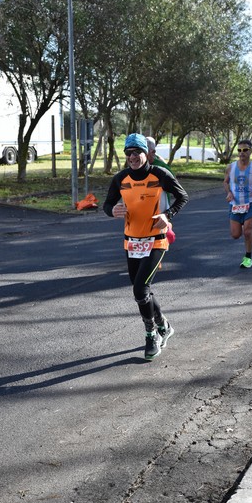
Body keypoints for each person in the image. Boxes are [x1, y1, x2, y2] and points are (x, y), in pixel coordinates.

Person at [103, 133, 189, 361]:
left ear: (145, 153)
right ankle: (164, 325)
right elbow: (108, 203)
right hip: (131, 241)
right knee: (143, 291)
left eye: (137, 152)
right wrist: (112, 211)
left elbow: (182, 196)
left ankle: (151, 334)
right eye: (128, 153)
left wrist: (167, 215)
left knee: (140, 289)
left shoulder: (159, 174)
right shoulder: (120, 179)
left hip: (157, 239)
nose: (132, 157)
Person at [224, 139, 252, 269]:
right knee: (236, 235)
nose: (241, 153)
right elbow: (225, 182)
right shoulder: (230, 167)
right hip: (235, 205)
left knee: (247, 232)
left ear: (251, 151)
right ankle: (244, 226)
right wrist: (229, 193)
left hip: (250, 204)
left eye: (245, 150)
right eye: (239, 150)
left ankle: (248, 258)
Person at [146, 136, 176, 244]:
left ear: (152, 152)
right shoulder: (135, 166)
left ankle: (168, 227)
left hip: (160, 208)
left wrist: (168, 214)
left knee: (157, 242)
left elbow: (177, 192)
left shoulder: (162, 168)